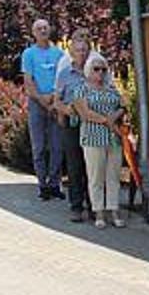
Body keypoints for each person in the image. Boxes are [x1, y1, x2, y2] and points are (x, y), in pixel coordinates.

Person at [71, 51, 128, 228]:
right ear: (89, 70)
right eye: (96, 69)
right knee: (96, 177)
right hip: (93, 138)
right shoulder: (81, 88)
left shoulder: (112, 89)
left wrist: (116, 116)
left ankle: (114, 210)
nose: (101, 73)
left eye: (104, 69)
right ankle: (98, 212)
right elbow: (85, 113)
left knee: (113, 176)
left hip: (113, 139)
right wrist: (107, 121)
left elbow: (122, 106)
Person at [19, 19, 65, 201]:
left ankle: (54, 184)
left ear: (50, 29)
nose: (43, 30)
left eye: (45, 27)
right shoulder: (29, 54)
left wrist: (54, 98)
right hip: (37, 104)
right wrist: (42, 100)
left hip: (56, 103)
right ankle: (42, 185)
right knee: (38, 147)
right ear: (34, 33)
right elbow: (28, 81)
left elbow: (62, 79)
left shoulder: (59, 54)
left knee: (56, 147)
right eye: (39, 28)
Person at [53, 32, 94, 223]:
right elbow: (57, 101)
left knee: (93, 165)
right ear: (71, 52)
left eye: (84, 50)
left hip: (93, 122)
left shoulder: (96, 72)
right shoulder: (64, 74)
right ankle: (76, 206)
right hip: (72, 123)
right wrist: (66, 110)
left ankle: (95, 206)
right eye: (77, 50)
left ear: (89, 51)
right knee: (75, 165)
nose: (81, 54)